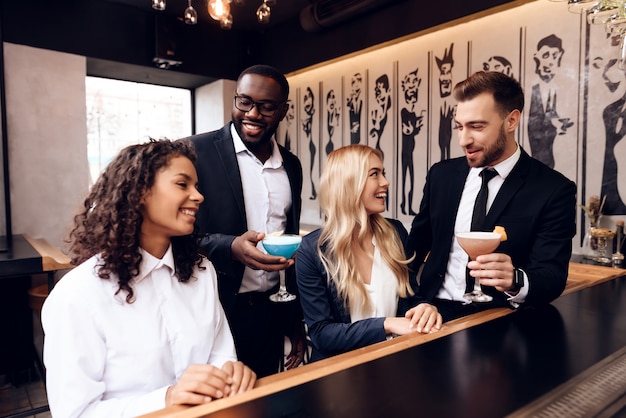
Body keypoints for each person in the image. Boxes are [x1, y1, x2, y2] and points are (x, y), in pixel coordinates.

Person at [42, 139, 256, 418]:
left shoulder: (201, 271)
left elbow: (220, 353)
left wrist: (230, 372)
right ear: (140, 192)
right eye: (183, 184)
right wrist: (167, 398)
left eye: (197, 186)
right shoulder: (77, 295)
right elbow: (75, 412)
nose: (199, 196)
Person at [408, 71, 577, 322]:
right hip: (432, 315)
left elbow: (552, 276)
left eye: (477, 126)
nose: (464, 140)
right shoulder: (441, 176)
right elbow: (415, 250)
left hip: (500, 321)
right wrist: (414, 302)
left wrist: (515, 279)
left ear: (511, 121)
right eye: (459, 126)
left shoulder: (553, 189)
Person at [187, 64, 305, 378]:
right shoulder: (195, 152)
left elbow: (287, 244)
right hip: (214, 307)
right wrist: (230, 247)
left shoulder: (291, 166)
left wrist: (293, 321)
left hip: (270, 310)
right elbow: (175, 235)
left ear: (283, 111)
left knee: (267, 399)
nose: (252, 114)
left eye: (266, 107)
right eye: (244, 102)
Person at [296, 144, 442, 362]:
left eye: (383, 173)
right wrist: (387, 324)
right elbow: (321, 334)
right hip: (338, 374)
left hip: (396, 363)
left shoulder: (396, 233)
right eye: (375, 174)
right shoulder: (313, 250)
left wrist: (424, 308)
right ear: (348, 184)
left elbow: (412, 298)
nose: (385, 182)